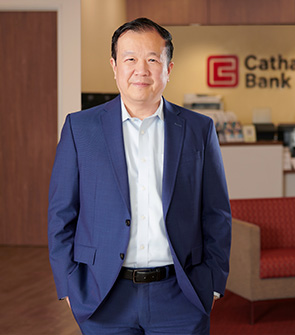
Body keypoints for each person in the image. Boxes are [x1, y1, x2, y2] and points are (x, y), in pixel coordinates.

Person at [48, 17, 231, 334]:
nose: (141, 70)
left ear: (169, 68)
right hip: (102, 295)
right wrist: (68, 284)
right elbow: (62, 212)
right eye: (130, 58)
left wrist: (212, 282)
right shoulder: (80, 128)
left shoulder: (199, 129)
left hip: (181, 293)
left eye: (152, 59)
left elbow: (216, 212)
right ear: (114, 66)